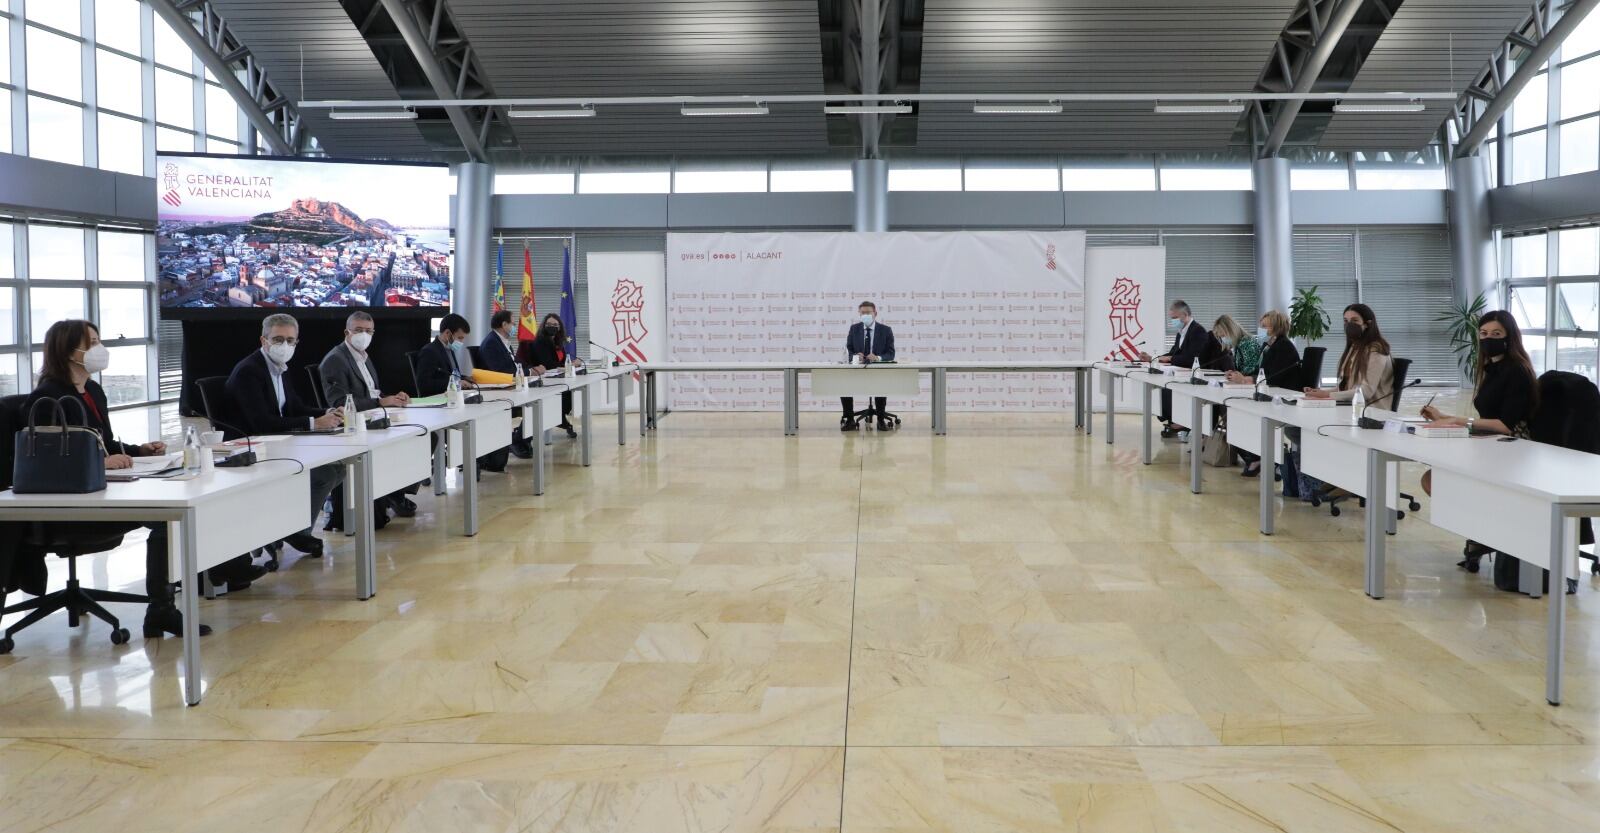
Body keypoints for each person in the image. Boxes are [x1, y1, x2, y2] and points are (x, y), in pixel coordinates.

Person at [25, 320, 246, 638]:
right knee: (165, 518)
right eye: (92, 342)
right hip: (68, 507)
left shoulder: (92, 391)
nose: (100, 349)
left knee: (172, 511)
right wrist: (102, 462)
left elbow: (103, 443)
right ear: (68, 350)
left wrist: (138, 450)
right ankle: (161, 609)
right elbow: (52, 461)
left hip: (101, 493)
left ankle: (174, 598)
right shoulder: (48, 399)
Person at [1419, 309, 1539, 572]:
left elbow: (1506, 425)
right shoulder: (1492, 367)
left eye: (1496, 334)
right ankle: (1483, 533)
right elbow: (1487, 417)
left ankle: (1487, 535)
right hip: (1488, 442)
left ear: (1510, 337)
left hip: (1511, 449)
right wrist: (1443, 416)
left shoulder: (1516, 370)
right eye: (1483, 334)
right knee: (1432, 478)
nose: (1488, 339)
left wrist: (1459, 422)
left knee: (1436, 479)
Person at [224, 313, 345, 556]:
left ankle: (293, 527)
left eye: (291, 341)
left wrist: (327, 412)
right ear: (263, 340)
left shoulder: (280, 368)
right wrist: (314, 423)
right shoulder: (249, 371)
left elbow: (294, 408)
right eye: (278, 340)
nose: (285, 346)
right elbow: (262, 423)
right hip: (250, 449)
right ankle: (295, 530)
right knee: (325, 472)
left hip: (279, 443)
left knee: (337, 467)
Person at [318, 311, 416, 526]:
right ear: (347, 332)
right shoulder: (336, 360)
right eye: (359, 330)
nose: (364, 335)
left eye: (369, 331)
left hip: (374, 417)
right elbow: (341, 404)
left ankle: (394, 491)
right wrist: (382, 403)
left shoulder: (364, 356)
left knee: (422, 436)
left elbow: (372, 392)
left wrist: (392, 398)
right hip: (353, 426)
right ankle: (391, 493)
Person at [418, 314, 510, 472]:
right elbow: (424, 385)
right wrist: (454, 383)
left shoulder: (449, 350)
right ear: (448, 333)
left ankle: (489, 460)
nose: (461, 342)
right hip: (440, 406)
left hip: (457, 401)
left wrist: (466, 378)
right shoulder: (430, 351)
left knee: (490, 413)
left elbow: (452, 375)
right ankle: (475, 459)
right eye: (459, 337)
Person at [1227, 310, 1301, 477]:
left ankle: (1263, 457)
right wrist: (1243, 377)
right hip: (1270, 392)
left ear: (1276, 328)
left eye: (1264, 327)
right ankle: (1258, 457)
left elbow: (1274, 376)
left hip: (1282, 395)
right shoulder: (1269, 345)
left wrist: (1248, 380)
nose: (1260, 330)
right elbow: (1261, 371)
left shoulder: (1284, 347)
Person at [1138, 300, 1216, 437]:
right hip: (1179, 373)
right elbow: (1173, 353)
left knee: (1167, 390)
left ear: (1184, 315)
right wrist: (1153, 358)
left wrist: (1170, 359)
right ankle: (1177, 420)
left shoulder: (1198, 331)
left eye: (1174, 318)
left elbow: (1193, 358)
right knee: (1161, 388)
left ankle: (1183, 422)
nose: (1172, 321)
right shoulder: (1181, 332)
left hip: (1193, 375)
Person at [1302, 303, 1394, 404]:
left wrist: (1327, 395)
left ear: (1367, 324)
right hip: (1354, 407)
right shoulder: (1354, 348)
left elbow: (1367, 391)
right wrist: (1320, 392)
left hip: (1372, 411)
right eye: (1346, 321)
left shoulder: (1376, 350)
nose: (1349, 324)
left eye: (1355, 320)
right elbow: (1347, 387)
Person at [517, 312, 581, 438]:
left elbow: (561, 362)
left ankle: (559, 417)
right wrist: (568, 366)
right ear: (544, 326)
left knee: (572, 391)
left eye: (555, 324)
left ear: (560, 327)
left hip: (554, 377)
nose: (552, 326)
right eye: (549, 324)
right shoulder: (540, 341)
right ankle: (557, 418)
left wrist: (572, 363)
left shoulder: (557, 342)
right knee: (567, 392)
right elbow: (547, 364)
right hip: (541, 378)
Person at [480, 311, 534, 459]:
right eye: (513, 323)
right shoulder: (491, 343)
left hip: (511, 386)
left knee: (540, 402)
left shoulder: (503, 341)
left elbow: (515, 364)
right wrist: (529, 372)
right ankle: (517, 441)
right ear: (504, 325)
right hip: (500, 391)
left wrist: (531, 369)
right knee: (536, 405)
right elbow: (502, 371)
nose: (515, 326)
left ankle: (519, 439)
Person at [840, 301, 896, 431]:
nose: (865, 315)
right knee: (843, 384)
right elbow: (848, 350)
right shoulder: (854, 329)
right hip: (857, 370)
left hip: (877, 370)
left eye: (868, 313)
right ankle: (849, 420)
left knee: (880, 384)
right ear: (859, 314)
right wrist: (855, 356)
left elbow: (890, 354)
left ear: (875, 314)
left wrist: (878, 358)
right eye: (862, 313)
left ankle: (881, 420)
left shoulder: (886, 330)